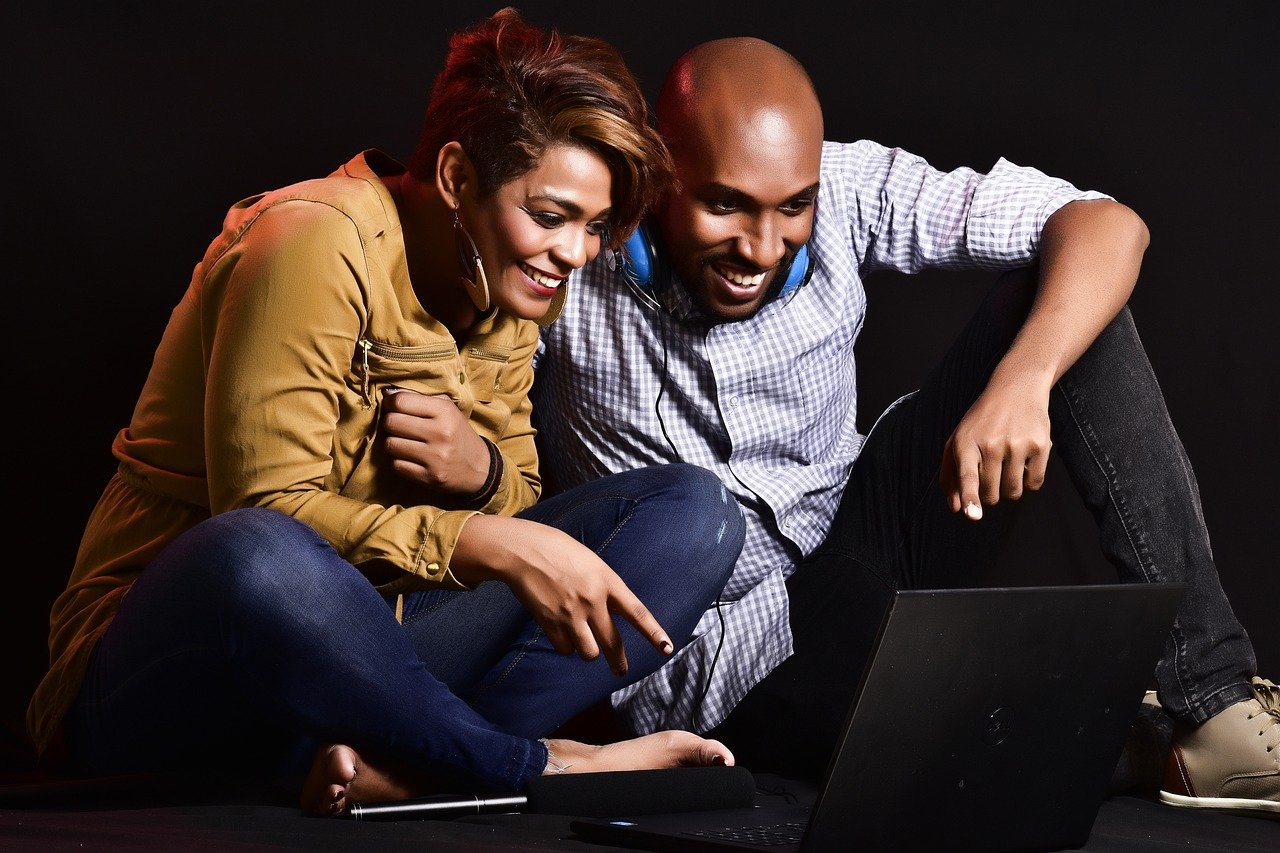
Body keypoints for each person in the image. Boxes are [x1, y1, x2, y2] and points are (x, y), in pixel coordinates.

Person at [528, 36, 1277, 814]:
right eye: (725, 204)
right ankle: (1132, 739)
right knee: (984, 746)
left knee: (1060, 305)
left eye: (792, 208)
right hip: (731, 663)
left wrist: (1025, 378)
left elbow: (1105, 224)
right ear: (658, 172)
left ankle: (1214, 703)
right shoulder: (577, 248)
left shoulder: (849, 187)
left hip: (865, 543)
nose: (761, 247)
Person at [26, 8, 745, 818]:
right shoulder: (310, 242)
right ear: (456, 178)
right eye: (550, 216)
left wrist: (482, 480)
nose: (576, 254)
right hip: (173, 676)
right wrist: (477, 535)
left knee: (696, 515)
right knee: (255, 550)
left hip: (376, 676)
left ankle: (411, 768)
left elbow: (519, 515)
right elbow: (265, 517)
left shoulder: (516, 285)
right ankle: (527, 765)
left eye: (594, 226)